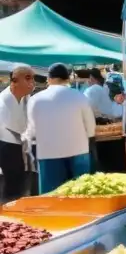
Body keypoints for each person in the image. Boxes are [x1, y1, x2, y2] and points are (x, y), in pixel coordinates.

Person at [26, 64, 94, 194]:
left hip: (48, 153)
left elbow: (32, 130)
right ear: (68, 79)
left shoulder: (35, 99)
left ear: (49, 78)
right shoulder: (79, 96)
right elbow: (90, 127)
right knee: (81, 194)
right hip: (79, 151)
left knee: (52, 196)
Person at [0, 65, 34, 201]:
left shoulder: (27, 98)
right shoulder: (3, 101)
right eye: (27, 79)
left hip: (23, 144)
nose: (32, 83)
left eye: (32, 79)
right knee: (12, 184)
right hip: (7, 144)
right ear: (14, 81)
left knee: (21, 182)